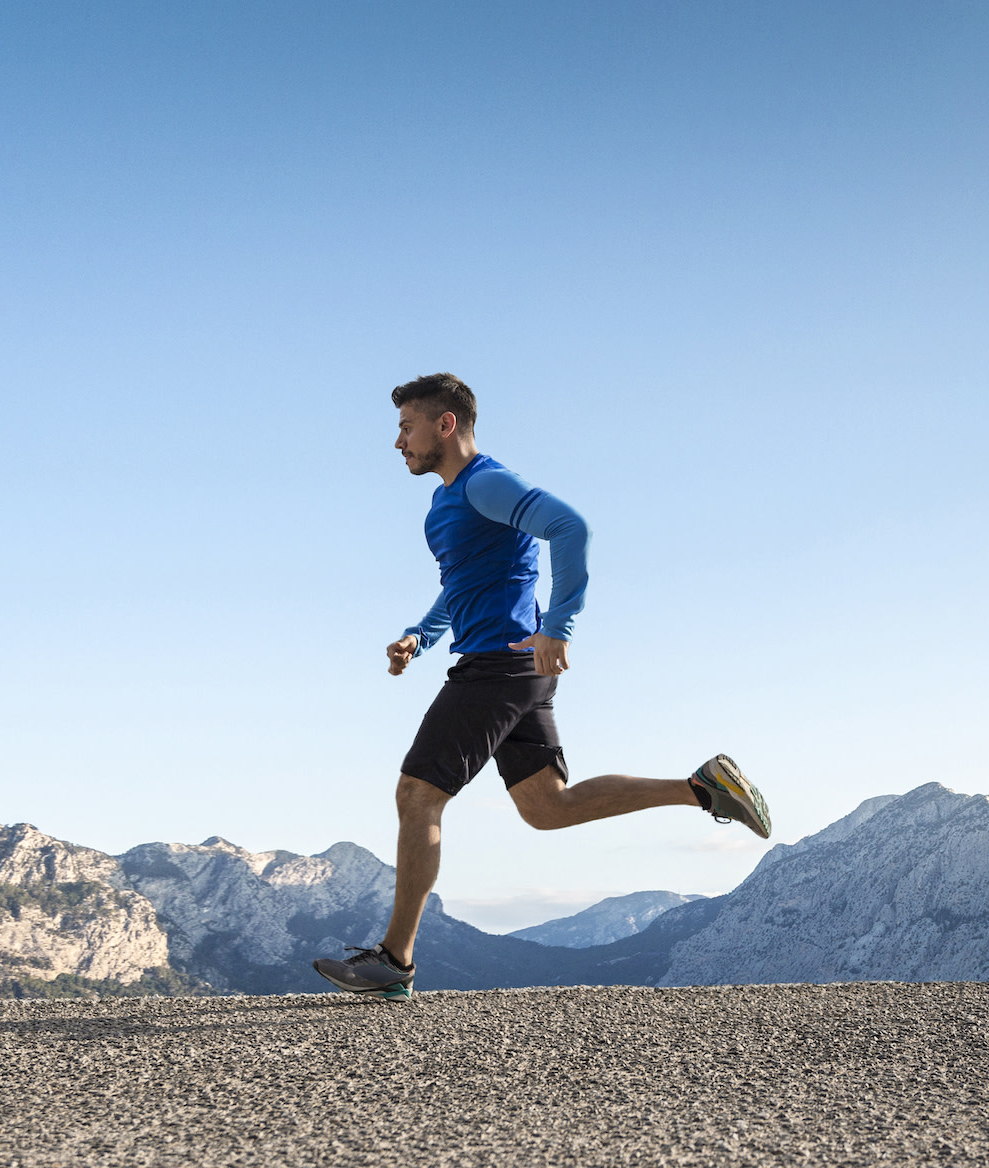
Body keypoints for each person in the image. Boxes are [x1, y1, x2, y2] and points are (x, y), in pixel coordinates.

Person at [312, 373, 770, 1001]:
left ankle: (395, 960)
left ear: (446, 424)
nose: (397, 442)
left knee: (418, 794)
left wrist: (559, 626)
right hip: (508, 668)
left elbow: (571, 527)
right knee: (546, 807)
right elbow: (465, 583)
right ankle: (703, 788)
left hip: (501, 667)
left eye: (405, 426)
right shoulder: (448, 502)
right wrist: (421, 636)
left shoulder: (486, 482)